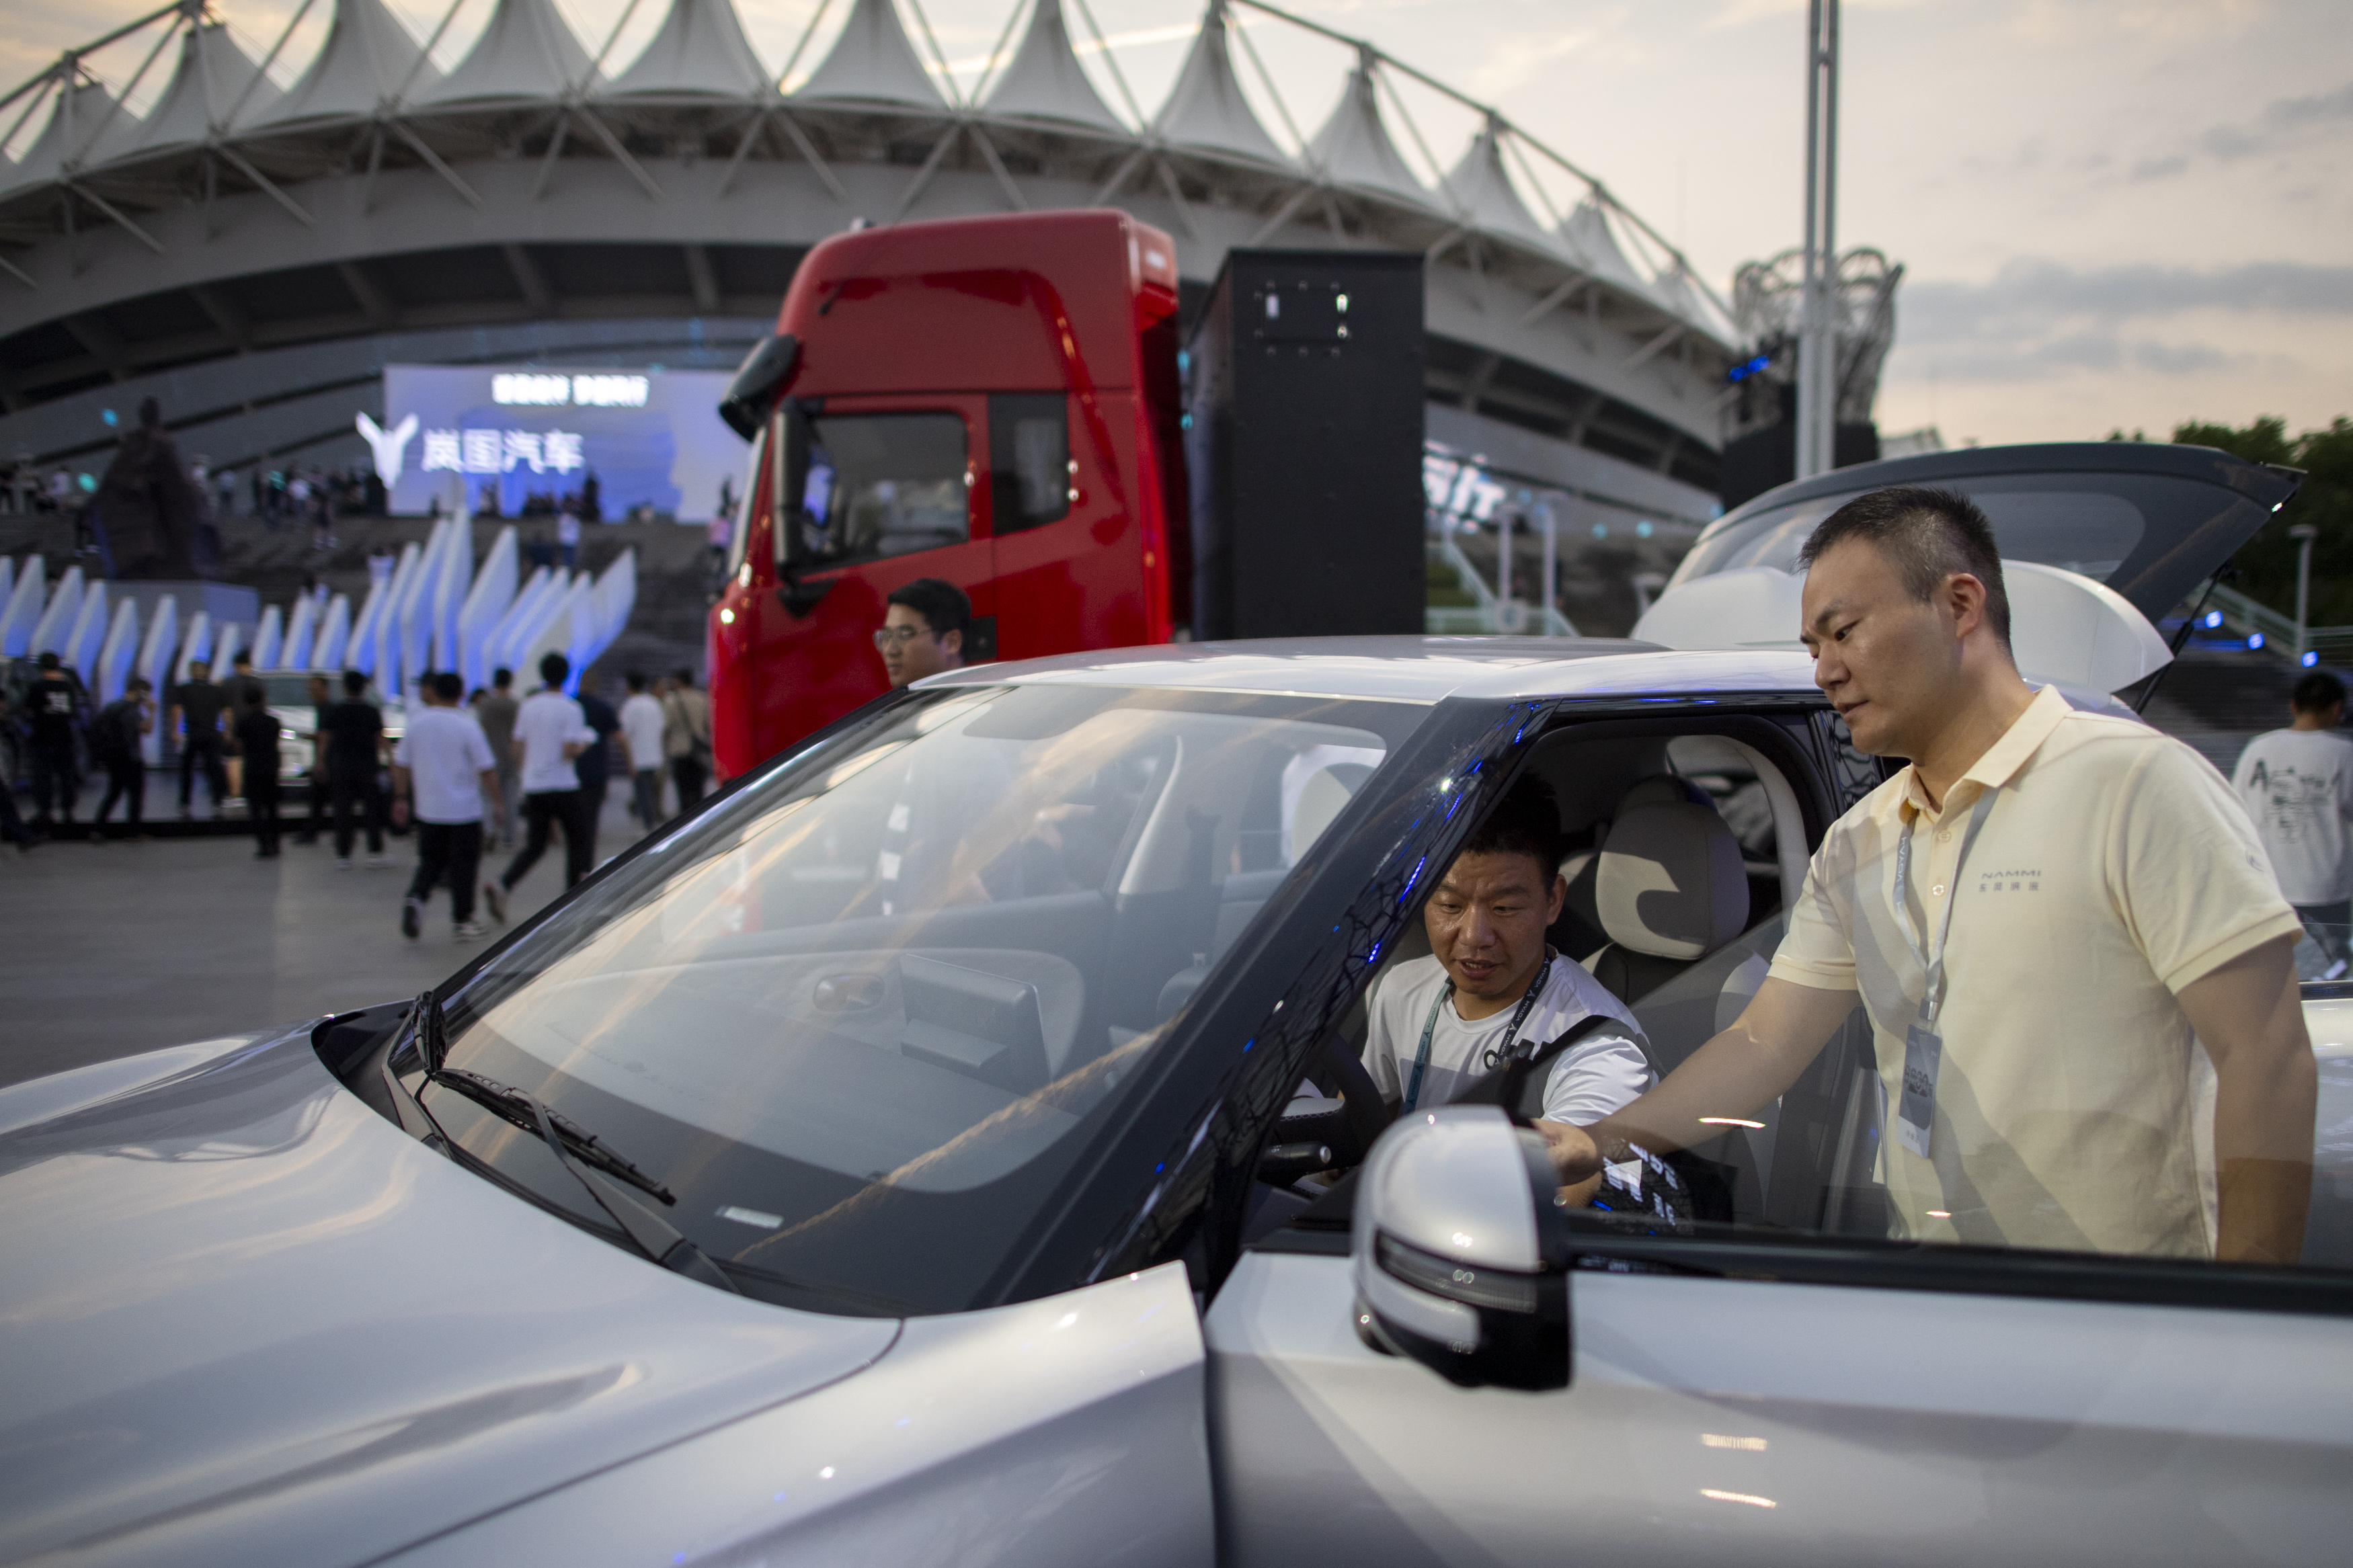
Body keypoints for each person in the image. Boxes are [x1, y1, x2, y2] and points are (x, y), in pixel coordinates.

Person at [1542, 485, 2317, 1265]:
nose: (1825, 672)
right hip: (1939, 1289)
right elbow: (1761, 1042)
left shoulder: (2133, 783)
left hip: (2130, 1303)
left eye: (1842, 632)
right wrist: (1600, 1139)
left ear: (1958, 604)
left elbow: (2265, 1054)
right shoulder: (1858, 840)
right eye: (1813, 649)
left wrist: (2245, 1312)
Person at [1366, 778, 1653, 1169]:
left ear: (1553, 901)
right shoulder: (1401, 989)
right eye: (1449, 905)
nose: (1474, 937)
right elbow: (1360, 1119)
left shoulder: (1598, 1043)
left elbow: (1568, 1188)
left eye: (1504, 909)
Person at [2233, 670, 2353, 978]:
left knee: (2272, 973)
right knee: (2333, 970)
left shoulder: (2258, 748)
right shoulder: (2344, 754)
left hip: (2266, 885)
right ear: (2338, 709)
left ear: (2294, 707)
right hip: (2326, 888)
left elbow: (2235, 812)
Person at [394, 671, 500, 941]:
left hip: (429, 808)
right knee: (465, 864)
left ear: (434, 691)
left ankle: (416, 897)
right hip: (464, 809)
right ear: (461, 694)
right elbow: (486, 768)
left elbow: (400, 763)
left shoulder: (417, 724)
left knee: (430, 860)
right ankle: (463, 919)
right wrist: (498, 802)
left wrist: (400, 798)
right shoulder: (468, 725)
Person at [493, 651, 596, 913]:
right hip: (563, 784)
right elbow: (569, 750)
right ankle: (574, 898)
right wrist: (585, 743)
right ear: (566, 675)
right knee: (579, 840)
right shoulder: (571, 708)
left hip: (535, 785)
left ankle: (504, 885)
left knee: (536, 846)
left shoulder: (528, 706)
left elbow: (517, 747)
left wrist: (525, 774)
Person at [321, 669, 391, 868]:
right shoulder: (371, 711)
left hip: (342, 765)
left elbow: (325, 737)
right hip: (368, 766)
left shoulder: (336, 710)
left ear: (344, 687)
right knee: (372, 809)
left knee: (343, 809)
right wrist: (391, 760)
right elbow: (380, 739)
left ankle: (343, 854)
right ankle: (375, 852)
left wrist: (320, 761)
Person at [89, 677, 155, 839]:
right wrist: (152, 711)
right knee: (135, 796)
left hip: (114, 757)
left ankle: (99, 828)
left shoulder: (111, 706)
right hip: (132, 757)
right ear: (140, 692)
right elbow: (146, 729)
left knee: (113, 793)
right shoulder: (132, 710)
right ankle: (134, 832)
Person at [876, 577, 969, 688]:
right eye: (887, 636)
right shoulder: (907, 704)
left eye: (904, 635)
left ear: (952, 642)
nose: (889, 651)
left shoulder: (980, 703)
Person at [24, 651, 81, 831]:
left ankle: (45, 813)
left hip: (42, 738)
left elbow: (27, 710)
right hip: (64, 738)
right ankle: (68, 812)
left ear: (41, 667)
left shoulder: (37, 687)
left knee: (43, 777)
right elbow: (73, 712)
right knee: (66, 776)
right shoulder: (68, 686)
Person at [574, 673, 621, 868]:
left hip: (572, 770)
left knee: (574, 821)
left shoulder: (571, 706)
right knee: (591, 820)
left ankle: (577, 863)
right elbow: (619, 737)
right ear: (596, 686)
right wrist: (631, 762)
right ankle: (586, 866)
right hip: (596, 771)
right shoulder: (603, 707)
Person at [233, 684, 283, 857]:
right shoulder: (273, 721)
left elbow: (238, 748)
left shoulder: (243, 722)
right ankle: (276, 844)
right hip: (271, 768)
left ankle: (263, 846)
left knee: (255, 810)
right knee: (272, 808)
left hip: (253, 768)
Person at [477, 666, 521, 848]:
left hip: (489, 757)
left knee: (487, 797)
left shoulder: (485, 705)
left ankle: (489, 831)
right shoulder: (516, 706)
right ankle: (508, 836)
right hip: (511, 758)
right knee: (510, 798)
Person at [619, 670, 667, 828]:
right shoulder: (653, 703)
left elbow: (625, 735)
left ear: (628, 686)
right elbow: (662, 729)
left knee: (642, 792)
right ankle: (649, 820)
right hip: (654, 754)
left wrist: (629, 760)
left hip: (638, 757)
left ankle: (648, 824)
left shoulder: (629, 706)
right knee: (650, 791)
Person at [662, 667, 711, 809]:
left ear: (678, 682)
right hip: (699, 751)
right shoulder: (702, 698)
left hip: (680, 751)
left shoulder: (671, 701)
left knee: (683, 792)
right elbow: (707, 725)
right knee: (698, 790)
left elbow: (667, 727)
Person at [556, 507, 580, 571]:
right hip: (565, 540)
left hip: (573, 541)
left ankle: (570, 568)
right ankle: (565, 568)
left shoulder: (576, 520)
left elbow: (577, 530)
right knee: (565, 556)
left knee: (571, 557)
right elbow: (563, 527)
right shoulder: (564, 518)